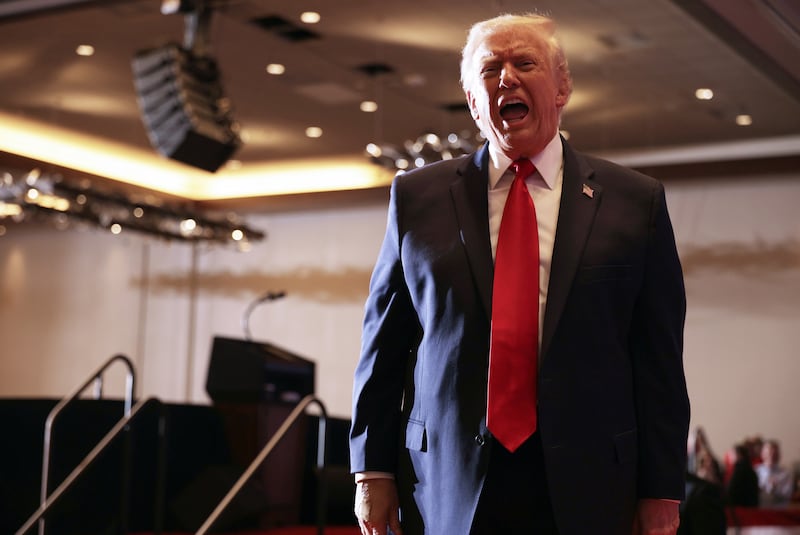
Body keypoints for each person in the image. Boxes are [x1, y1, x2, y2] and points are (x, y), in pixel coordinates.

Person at [349, 12, 690, 535]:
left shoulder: (635, 202)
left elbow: (658, 359)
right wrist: (370, 471)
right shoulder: (417, 198)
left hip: (591, 483)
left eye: (524, 63)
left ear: (562, 87)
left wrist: (663, 488)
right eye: (490, 70)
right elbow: (384, 344)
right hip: (446, 479)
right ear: (472, 101)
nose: (506, 78)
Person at [756, 439, 794, 506]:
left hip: (778, 511)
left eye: (775, 453)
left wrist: (775, 489)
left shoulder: (786, 474)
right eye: (769, 453)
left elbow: (787, 495)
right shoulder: (755, 471)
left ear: (779, 455)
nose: (772, 456)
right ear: (762, 454)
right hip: (759, 511)